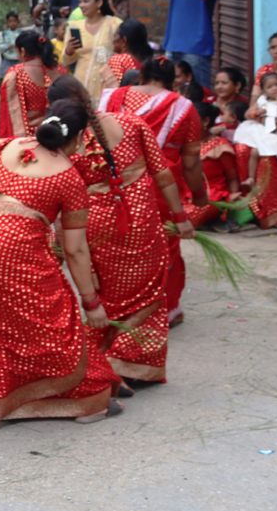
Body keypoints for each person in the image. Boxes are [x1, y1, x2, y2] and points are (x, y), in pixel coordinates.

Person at [0, 101, 122, 429]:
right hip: (12, 245)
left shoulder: (9, 144)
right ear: (80, 137)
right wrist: (91, 302)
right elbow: (76, 250)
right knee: (55, 318)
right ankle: (86, 401)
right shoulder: (69, 176)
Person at [50, 75, 193, 386]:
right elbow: (162, 173)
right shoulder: (132, 123)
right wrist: (180, 217)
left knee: (108, 293)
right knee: (148, 291)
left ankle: (107, 362)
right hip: (142, 219)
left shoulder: (69, 142)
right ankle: (136, 364)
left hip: (95, 227)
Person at [98, 56, 209, 326]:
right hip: (161, 190)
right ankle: (162, 311)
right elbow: (192, 163)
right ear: (173, 81)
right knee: (162, 248)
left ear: (141, 75)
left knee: (113, 246)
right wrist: (200, 195)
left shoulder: (110, 98)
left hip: (111, 183)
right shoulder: (184, 107)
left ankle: (116, 308)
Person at [232, 72, 277, 222]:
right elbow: (247, 114)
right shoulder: (262, 100)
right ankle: (250, 179)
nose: (275, 89)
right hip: (262, 130)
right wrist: (256, 112)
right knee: (255, 151)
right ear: (263, 91)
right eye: (270, 87)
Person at [194, 102, 254, 232]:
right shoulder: (183, 143)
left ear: (206, 121)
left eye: (191, 120)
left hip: (211, 198)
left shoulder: (220, 147)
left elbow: (232, 178)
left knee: (191, 215)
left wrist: (230, 203)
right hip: (185, 195)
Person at [0, 31, 67, 139]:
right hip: (57, 135)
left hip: (28, 139)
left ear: (23, 51)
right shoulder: (60, 71)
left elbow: (0, 112)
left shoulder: (16, 73)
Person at [61, 0, 121, 103]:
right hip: (81, 84)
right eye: (80, 1)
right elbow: (67, 60)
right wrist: (69, 50)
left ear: (99, 3)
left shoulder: (114, 24)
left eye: (86, 1)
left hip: (107, 87)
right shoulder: (75, 26)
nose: (81, 5)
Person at [102, 19, 153, 87]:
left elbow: (113, 92)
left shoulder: (119, 60)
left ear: (124, 41)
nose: (113, 40)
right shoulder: (146, 64)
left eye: (115, 36)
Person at [0, 11, 22, 89]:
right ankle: (0, 91)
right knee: (3, 75)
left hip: (19, 59)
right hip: (7, 59)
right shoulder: (4, 34)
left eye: (14, 21)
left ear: (18, 22)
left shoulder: (21, 33)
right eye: (10, 21)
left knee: (21, 76)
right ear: (7, 23)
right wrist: (7, 46)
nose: (13, 23)